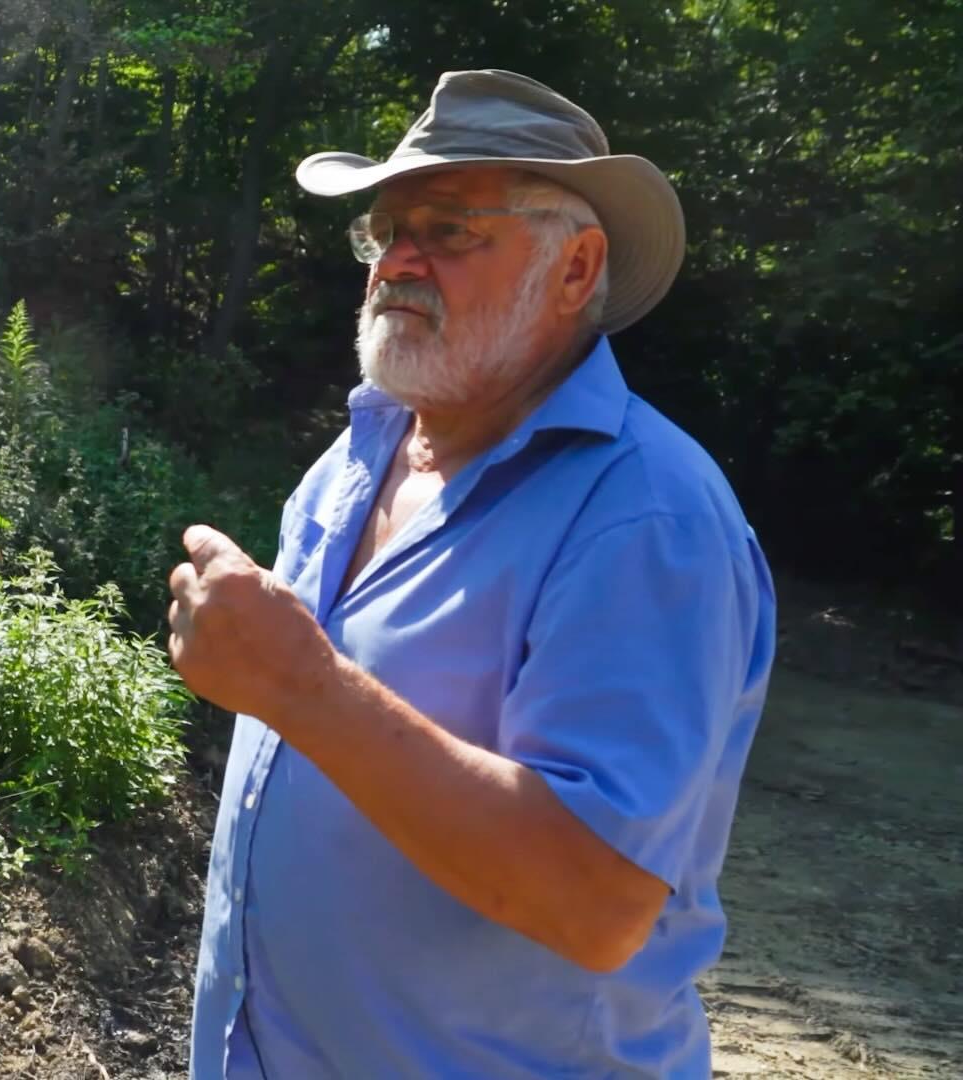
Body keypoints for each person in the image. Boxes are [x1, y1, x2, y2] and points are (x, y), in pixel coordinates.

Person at [167, 69, 777, 1078]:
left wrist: (299, 688)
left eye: (448, 231)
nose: (397, 263)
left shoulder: (645, 516)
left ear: (577, 270)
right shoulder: (355, 459)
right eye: (385, 231)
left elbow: (596, 901)